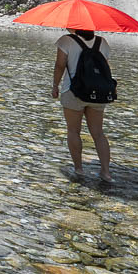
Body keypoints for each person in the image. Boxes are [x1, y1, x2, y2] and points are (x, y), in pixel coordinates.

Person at [52, 29, 113, 183]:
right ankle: (106, 172)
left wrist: (55, 85)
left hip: (73, 92)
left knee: (73, 131)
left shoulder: (66, 40)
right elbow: (105, 68)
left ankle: (79, 169)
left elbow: (60, 65)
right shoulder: (102, 42)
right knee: (98, 134)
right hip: (98, 94)